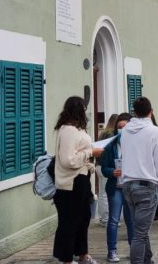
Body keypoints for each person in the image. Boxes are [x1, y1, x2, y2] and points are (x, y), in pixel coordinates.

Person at [53, 96, 103, 264]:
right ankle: (66, 258)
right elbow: (68, 160)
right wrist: (90, 153)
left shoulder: (78, 129)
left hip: (81, 179)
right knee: (70, 221)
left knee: (83, 218)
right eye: (83, 108)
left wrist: (89, 159)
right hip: (71, 183)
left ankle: (82, 254)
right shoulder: (68, 130)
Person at [121, 97, 158, 264]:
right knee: (140, 234)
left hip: (128, 184)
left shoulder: (126, 130)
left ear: (134, 112)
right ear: (151, 111)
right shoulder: (155, 131)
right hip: (146, 185)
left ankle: (148, 260)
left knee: (141, 229)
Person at [101, 113, 134, 262]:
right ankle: (112, 251)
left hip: (131, 186)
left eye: (125, 127)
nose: (122, 130)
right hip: (116, 187)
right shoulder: (111, 144)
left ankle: (134, 248)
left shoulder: (136, 143)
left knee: (131, 219)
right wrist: (111, 172)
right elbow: (104, 168)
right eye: (119, 127)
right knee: (114, 219)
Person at [97, 114, 119, 227]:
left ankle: (103, 217)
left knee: (102, 193)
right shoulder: (112, 135)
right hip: (107, 166)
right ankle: (106, 218)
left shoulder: (103, 133)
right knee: (107, 193)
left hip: (99, 165)